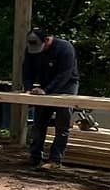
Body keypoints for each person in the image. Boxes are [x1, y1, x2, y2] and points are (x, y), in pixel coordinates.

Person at [22, 26, 79, 168]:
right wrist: (28, 89)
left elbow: (64, 75)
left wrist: (46, 91)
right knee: (39, 123)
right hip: (44, 85)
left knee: (62, 125)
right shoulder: (31, 49)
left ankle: (55, 160)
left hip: (67, 86)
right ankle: (35, 157)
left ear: (47, 40)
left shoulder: (65, 48)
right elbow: (27, 71)